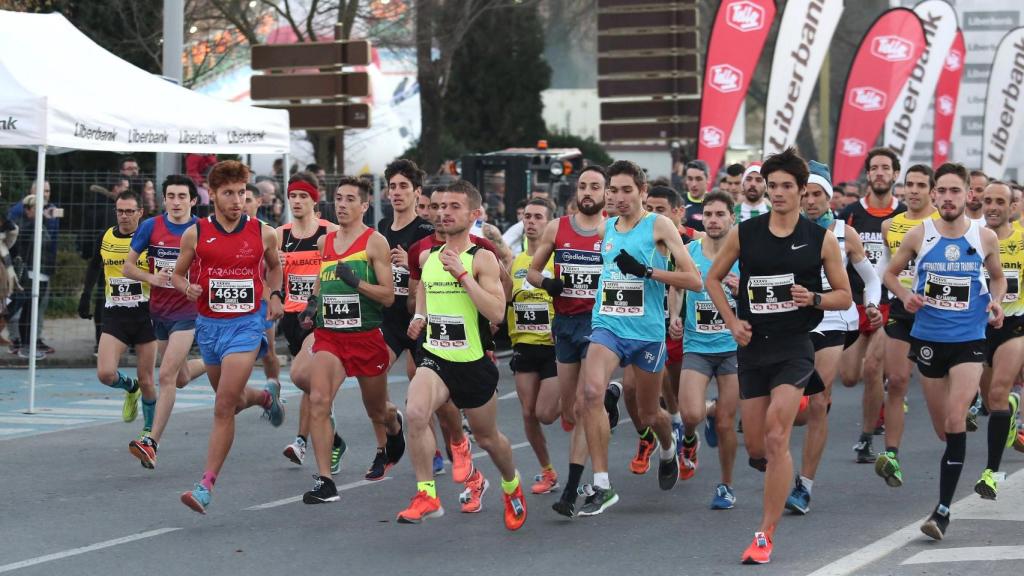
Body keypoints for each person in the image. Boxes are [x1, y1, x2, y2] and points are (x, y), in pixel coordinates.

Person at [705, 148, 852, 564]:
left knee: (775, 435)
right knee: (755, 445)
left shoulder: (819, 238)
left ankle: (765, 534)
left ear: (803, 191)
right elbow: (712, 278)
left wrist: (816, 298)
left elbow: (843, 296)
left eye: (789, 185)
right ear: (766, 191)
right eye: (774, 186)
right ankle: (777, 469)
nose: (781, 192)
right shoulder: (745, 233)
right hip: (753, 348)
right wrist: (732, 322)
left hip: (794, 348)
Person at [882, 162, 1004, 540]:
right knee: (943, 429)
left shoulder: (984, 238)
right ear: (934, 196)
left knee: (954, 420)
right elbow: (890, 273)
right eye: (943, 192)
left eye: (956, 191)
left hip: (969, 339)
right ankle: (958, 434)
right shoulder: (920, 235)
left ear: (969, 195)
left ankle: (943, 511)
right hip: (929, 340)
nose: (949, 198)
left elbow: (998, 277)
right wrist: (906, 295)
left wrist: (996, 302)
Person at [400, 180, 527, 530]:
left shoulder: (481, 258)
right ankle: (427, 494)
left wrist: (463, 276)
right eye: (438, 206)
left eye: (453, 206)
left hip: (472, 362)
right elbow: (426, 287)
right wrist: (420, 316)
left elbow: (496, 313)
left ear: (474, 214)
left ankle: (511, 484)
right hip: (435, 355)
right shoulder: (428, 257)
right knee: (415, 411)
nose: (443, 212)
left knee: (489, 438)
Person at [579, 160, 702, 515]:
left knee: (650, 415)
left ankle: (667, 448)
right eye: (613, 190)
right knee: (591, 393)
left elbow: (694, 280)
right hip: (608, 326)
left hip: (647, 333)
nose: (618, 197)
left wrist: (647, 271)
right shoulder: (606, 228)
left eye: (626, 190)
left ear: (643, 192)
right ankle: (602, 484)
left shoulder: (659, 225)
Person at [173, 160, 287, 514]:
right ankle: (265, 398)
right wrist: (187, 287)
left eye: (242, 193)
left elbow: (274, 266)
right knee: (234, 401)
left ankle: (205, 484)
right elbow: (177, 274)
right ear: (213, 196)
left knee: (223, 406)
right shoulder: (196, 232)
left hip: (246, 326)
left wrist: (273, 294)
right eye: (229, 194)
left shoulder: (263, 232)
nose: (237, 200)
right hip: (209, 327)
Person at [786, 161, 879, 514]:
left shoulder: (844, 233)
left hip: (835, 318)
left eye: (817, 194)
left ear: (829, 197)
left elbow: (870, 279)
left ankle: (804, 485)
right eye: (805, 194)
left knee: (820, 396)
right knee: (792, 406)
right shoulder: (783, 230)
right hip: (793, 321)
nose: (810, 201)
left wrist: (871, 305)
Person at [301, 177, 402, 503]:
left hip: (365, 337)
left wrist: (356, 282)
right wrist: (312, 305)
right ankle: (325, 482)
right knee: (318, 400)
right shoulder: (325, 243)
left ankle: (393, 424)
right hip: (330, 337)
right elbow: (322, 280)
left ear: (364, 206)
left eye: (349, 200)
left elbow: (387, 297)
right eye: (338, 199)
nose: (342, 205)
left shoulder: (375, 242)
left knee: (376, 410)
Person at [525, 165, 609, 517]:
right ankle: (610, 395)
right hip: (565, 324)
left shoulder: (613, 230)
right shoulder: (557, 228)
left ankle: (573, 488)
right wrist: (548, 284)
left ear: (605, 193)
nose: (588, 192)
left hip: (599, 323)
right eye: (583, 186)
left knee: (587, 400)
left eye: (595, 186)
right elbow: (531, 271)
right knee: (572, 410)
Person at [123, 175, 207, 469]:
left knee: (166, 375)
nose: (176, 202)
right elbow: (127, 266)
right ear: (164, 200)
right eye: (171, 196)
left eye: (182, 196)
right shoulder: (151, 227)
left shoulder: (201, 230)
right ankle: (212, 361)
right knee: (181, 377)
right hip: (159, 312)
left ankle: (151, 442)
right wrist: (150, 277)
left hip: (188, 313)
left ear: (193, 201)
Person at [671, 190, 741, 508]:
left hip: (733, 348)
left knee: (727, 423)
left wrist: (745, 290)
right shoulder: (689, 251)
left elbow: (760, 293)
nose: (713, 220)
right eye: (708, 215)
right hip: (697, 345)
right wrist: (674, 315)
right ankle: (696, 428)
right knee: (690, 413)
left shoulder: (743, 255)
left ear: (732, 218)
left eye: (719, 214)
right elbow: (676, 285)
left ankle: (725, 485)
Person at [872, 165, 938, 487]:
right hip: (901, 308)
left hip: (938, 313)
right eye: (909, 184)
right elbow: (885, 271)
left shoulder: (943, 224)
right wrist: (891, 296)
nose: (912, 190)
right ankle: (892, 456)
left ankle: (956, 424)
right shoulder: (890, 226)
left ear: (932, 191)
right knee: (897, 380)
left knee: (936, 385)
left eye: (920, 185)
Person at [276, 173, 347, 473]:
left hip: (319, 316)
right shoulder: (280, 234)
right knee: (309, 381)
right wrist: (275, 288)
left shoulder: (329, 232)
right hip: (292, 316)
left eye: (303, 196)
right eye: (293, 196)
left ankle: (311, 438)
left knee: (302, 375)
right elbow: (269, 274)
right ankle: (315, 439)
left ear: (314, 200)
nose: (297, 201)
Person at [837, 147, 901, 464]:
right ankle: (883, 399)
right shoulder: (849, 214)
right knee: (849, 377)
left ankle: (865, 438)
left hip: (888, 304)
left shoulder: (903, 217)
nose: (879, 172)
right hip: (854, 302)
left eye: (885, 168)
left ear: (894, 174)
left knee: (874, 368)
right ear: (867, 174)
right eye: (874, 167)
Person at [78, 190, 157, 437]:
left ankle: (148, 433)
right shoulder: (107, 237)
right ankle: (129, 387)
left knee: (147, 379)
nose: (124, 216)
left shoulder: (151, 240)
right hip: (115, 314)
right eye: (120, 211)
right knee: (105, 373)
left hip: (146, 316)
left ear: (140, 213)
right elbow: (94, 265)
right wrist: (86, 294)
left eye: (129, 211)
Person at [375, 159, 434, 480]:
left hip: (420, 320)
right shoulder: (383, 228)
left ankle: (454, 444)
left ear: (416, 192)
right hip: (390, 320)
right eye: (392, 186)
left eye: (403, 187)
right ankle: (391, 427)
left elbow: (433, 274)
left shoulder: (426, 231)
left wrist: (409, 263)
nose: (396, 192)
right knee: (373, 373)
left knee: (442, 404)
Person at [507, 198, 561, 497]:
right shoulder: (516, 261)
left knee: (546, 414)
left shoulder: (557, 259)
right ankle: (548, 471)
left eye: (538, 216)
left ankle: (578, 394)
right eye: (527, 216)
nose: (531, 221)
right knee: (528, 412)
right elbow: (508, 298)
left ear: (549, 223)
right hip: (524, 342)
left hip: (553, 346)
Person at [972, 181, 1022, 499]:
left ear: (1011, 206)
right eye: (987, 200)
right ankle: (1011, 411)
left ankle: (990, 474)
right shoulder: (970, 237)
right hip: (978, 326)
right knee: (991, 401)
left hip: (1016, 323)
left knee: (1000, 390)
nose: (991, 206)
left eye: (999, 201)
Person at [8, 194, 55, 359]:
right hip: (29, 274)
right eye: (36, 208)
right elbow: (21, 239)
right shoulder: (23, 224)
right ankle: (24, 345)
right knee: (24, 310)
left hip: (42, 273)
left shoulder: (41, 224)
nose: (40, 211)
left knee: (32, 311)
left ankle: (27, 344)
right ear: (28, 209)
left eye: (41, 208)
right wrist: (40, 219)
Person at [682, 160, 710, 231]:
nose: (694, 184)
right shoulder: (678, 201)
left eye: (698, 179)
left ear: (708, 179)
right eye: (690, 179)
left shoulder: (715, 202)